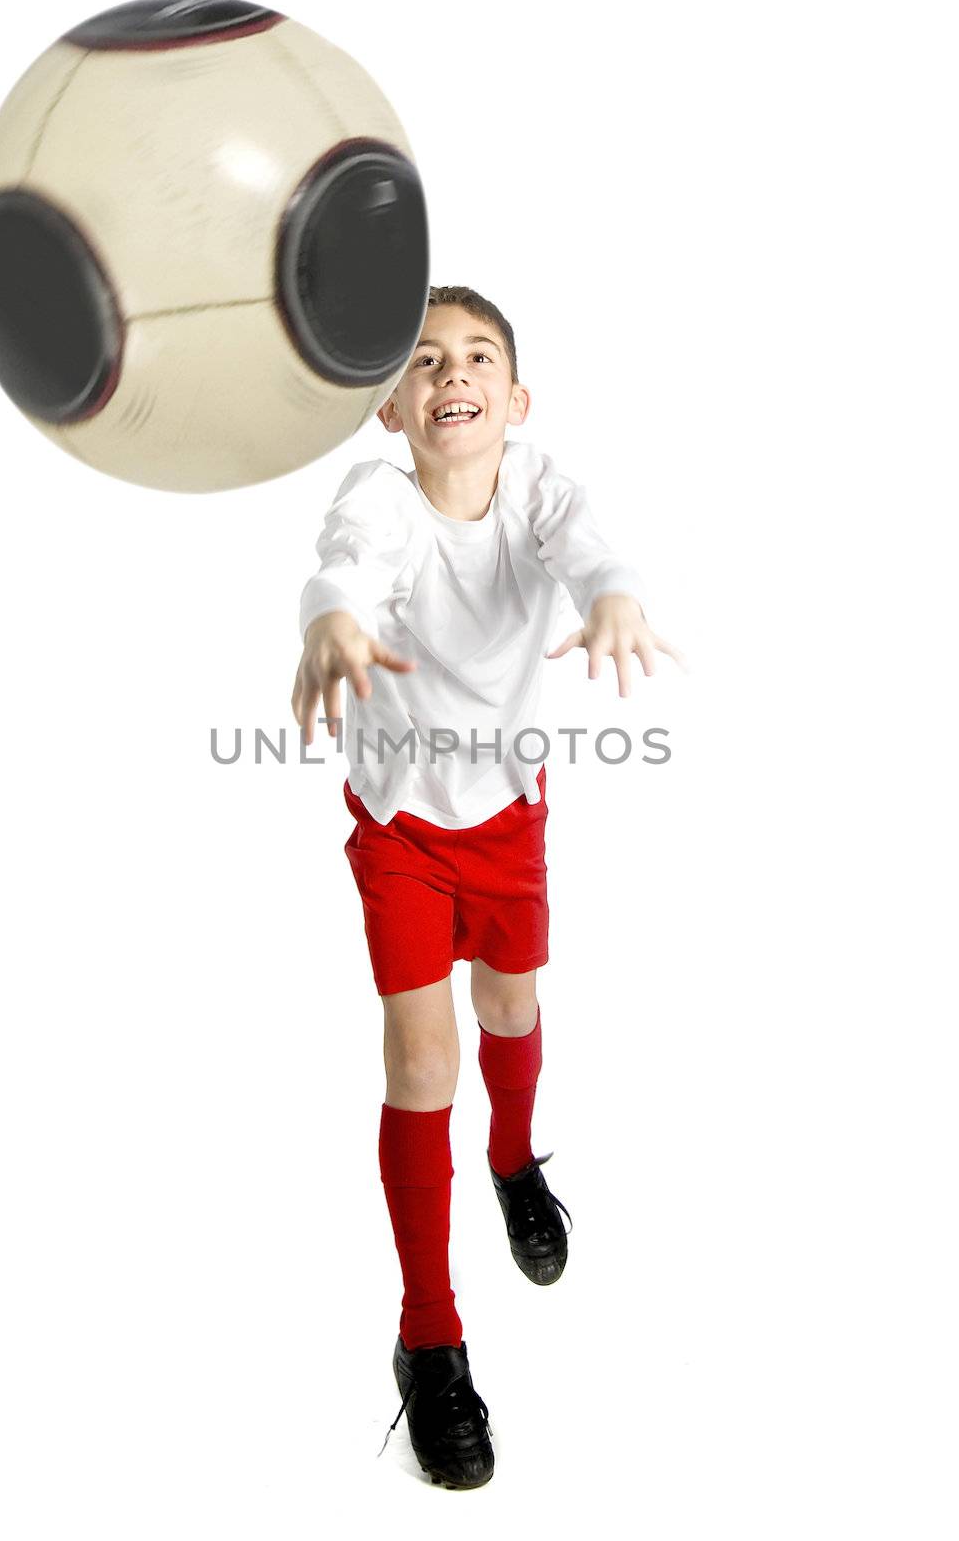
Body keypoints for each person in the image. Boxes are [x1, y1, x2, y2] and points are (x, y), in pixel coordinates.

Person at [291, 285, 683, 1489]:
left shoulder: (537, 488)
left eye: (474, 356)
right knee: (421, 1060)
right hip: (403, 823)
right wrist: (331, 625)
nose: (447, 371)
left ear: (512, 400)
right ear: (391, 408)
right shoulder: (379, 497)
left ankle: (514, 1159)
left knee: (507, 1011)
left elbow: (592, 547)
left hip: (506, 816)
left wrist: (614, 592)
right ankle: (429, 1337)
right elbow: (339, 570)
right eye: (419, 359)